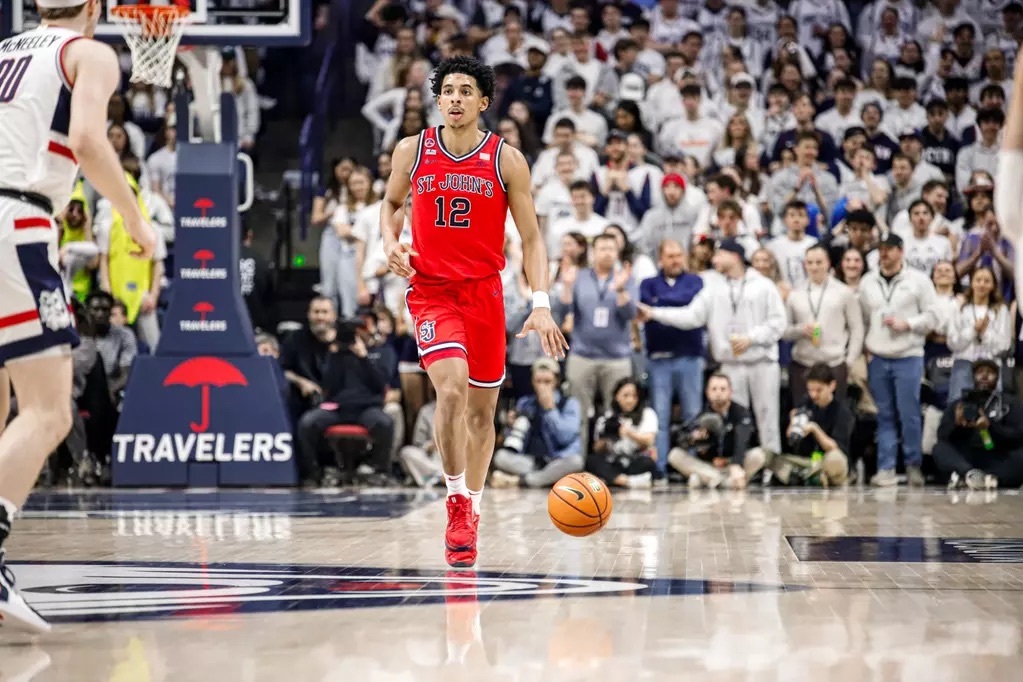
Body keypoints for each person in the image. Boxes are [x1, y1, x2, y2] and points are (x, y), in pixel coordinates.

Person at [0, 0, 155, 633]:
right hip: (17, 223)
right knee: (49, 410)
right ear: (93, 8)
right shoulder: (87, 51)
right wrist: (135, 217)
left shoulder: (4, 51)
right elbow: (89, 142)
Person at [380, 56, 568, 568]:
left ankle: (475, 508)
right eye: (448, 90)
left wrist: (542, 303)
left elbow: (532, 239)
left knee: (483, 416)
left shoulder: (506, 160)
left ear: (484, 102)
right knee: (452, 387)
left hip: (485, 295)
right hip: (432, 291)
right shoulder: (411, 150)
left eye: (467, 90)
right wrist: (390, 243)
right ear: (437, 99)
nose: (456, 98)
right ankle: (456, 499)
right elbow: (391, 204)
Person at [637, 238, 787, 457]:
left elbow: (778, 323)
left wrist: (752, 338)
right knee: (733, 421)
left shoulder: (763, 285)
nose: (714, 259)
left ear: (734, 257)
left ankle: (773, 467)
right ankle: (738, 464)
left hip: (762, 361)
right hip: (731, 363)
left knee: (767, 417)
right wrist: (654, 313)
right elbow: (691, 316)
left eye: (719, 255)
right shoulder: (713, 287)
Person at [858, 233, 939, 487]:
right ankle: (886, 467)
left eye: (889, 249)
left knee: (910, 413)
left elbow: (933, 316)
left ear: (901, 251)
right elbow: (863, 317)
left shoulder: (919, 281)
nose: (884, 253)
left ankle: (913, 465)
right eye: (881, 249)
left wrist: (909, 324)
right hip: (879, 355)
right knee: (884, 414)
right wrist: (865, 347)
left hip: (908, 355)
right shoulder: (867, 281)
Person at [490, 358, 584, 489]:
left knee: (576, 462)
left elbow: (565, 437)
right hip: (531, 461)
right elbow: (513, 441)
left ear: (556, 381)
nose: (542, 386)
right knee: (501, 457)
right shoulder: (525, 402)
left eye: (547, 382)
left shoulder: (569, 404)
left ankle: (520, 481)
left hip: (557, 459)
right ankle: (544, 479)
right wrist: (510, 426)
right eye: (538, 381)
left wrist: (550, 410)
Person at [935, 359, 1023, 489]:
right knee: (939, 449)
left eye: (990, 372)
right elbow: (942, 436)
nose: (985, 376)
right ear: (973, 377)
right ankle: (970, 474)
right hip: (966, 456)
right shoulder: (959, 404)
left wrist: (991, 427)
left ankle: (988, 477)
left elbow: (1018, 436)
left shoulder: (1010, 403)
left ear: (997, 377)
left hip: (996, 454)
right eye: (980, 372)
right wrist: (957, 425)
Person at [764, 363, 854, 487]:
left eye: (818, 390)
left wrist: (815, 429)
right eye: (810, 390)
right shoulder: (805, 403)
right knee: (770, 456)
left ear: (831, 386)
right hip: (805, 461)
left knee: (835, 460)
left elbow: (835, 448)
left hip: (827, 460)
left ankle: (817, 477)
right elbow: (790, 441)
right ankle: (805, 476)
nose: (814, 395)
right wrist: (792, 425)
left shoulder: (842, 412)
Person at [587, 378, 658, 489]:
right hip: (614, 461)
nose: (630, 400)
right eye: (625, 396)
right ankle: (627, 481)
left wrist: (628, 433)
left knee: (648, 462)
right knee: (592, 461)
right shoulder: (606, 418)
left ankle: (612, 480)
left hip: (634, 461)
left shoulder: (647, 414)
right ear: (617, 396)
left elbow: (649, 440)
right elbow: (597, 448)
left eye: (634, 396)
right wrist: (605, 441)